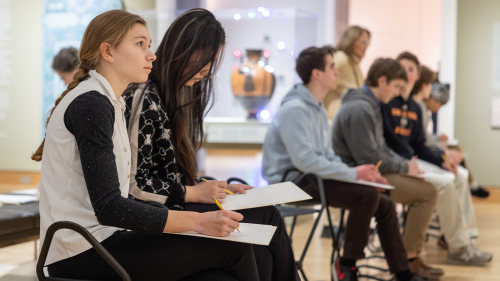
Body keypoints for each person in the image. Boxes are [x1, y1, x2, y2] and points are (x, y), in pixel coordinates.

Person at [34, 10, 261, 281]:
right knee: (234, 250)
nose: (151, 54)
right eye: (140, 44)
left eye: (150, 45)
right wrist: (198, 222)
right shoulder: (91, 103)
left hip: (104, 239)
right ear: (108, 51)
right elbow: (110, 207)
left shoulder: (109, 102)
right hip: (82, 251)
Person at [123, 9, 299, 281]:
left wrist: (216, 185)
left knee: (263, 241)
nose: (206, 72)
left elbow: (171, 172)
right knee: (267, 216)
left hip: (173, 205)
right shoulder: (142, 98)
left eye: (211, 63)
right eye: (203, 62)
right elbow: (133, 186)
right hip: (157, 216)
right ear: (182, 49)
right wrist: (192, 192)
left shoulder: (175, 94)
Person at [262, 46, 430, 281]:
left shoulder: (318, 107)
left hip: (311, 178)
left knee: (384, 203)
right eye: (332, 67)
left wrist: (356, 173)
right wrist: (355, 175)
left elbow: (327, 155)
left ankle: (402, 272)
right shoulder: (295, 109)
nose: (337, 73)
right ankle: (346, 265)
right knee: (367, 195)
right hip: (291, 182)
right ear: (316, 74)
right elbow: (305, 161)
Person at [332, 58, 443, 279]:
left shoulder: (369, 105)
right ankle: (408, 260)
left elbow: (380, 150)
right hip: (355, 177)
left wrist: (407, 166)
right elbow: (370, 158)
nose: (396, 94)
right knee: (427, 192)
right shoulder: (361, 108)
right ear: (382, 81)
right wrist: (405, 166)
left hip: (368, 173)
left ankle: (402, 270)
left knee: (395, 201)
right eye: (396, 87)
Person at [380, 52, 492, 266]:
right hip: (397, 165)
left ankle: (469, 240)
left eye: (411, 70)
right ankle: (458, 247)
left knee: (458, 176)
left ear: (417, 77)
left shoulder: (412, 107)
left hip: (411, 161)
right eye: (401, 68)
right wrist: (409, 163)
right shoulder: (386, 102)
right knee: (446, 184)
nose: (405, 74)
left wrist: (442, 160)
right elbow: (388, 146)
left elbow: (420, 146)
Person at [419, 82, 490, 198]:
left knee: (456, 153)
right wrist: (439, 142)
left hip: (426, 150)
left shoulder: (423, 111)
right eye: (439, 104)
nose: (439, 108)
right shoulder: (419, 109)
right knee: (458, 168)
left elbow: (422, 138)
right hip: (423, 153)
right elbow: (421, 140)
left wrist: (438, 139)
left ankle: (472, 184)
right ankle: (472, 185)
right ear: (433, 99)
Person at [324, 26, 370, 121]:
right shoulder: (341, 59)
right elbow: (321, 82)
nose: (366, 46)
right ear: (351, 41)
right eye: (363, 42)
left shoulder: (355, 64)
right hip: (334, 119)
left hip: (347, 117)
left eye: (368, 43)